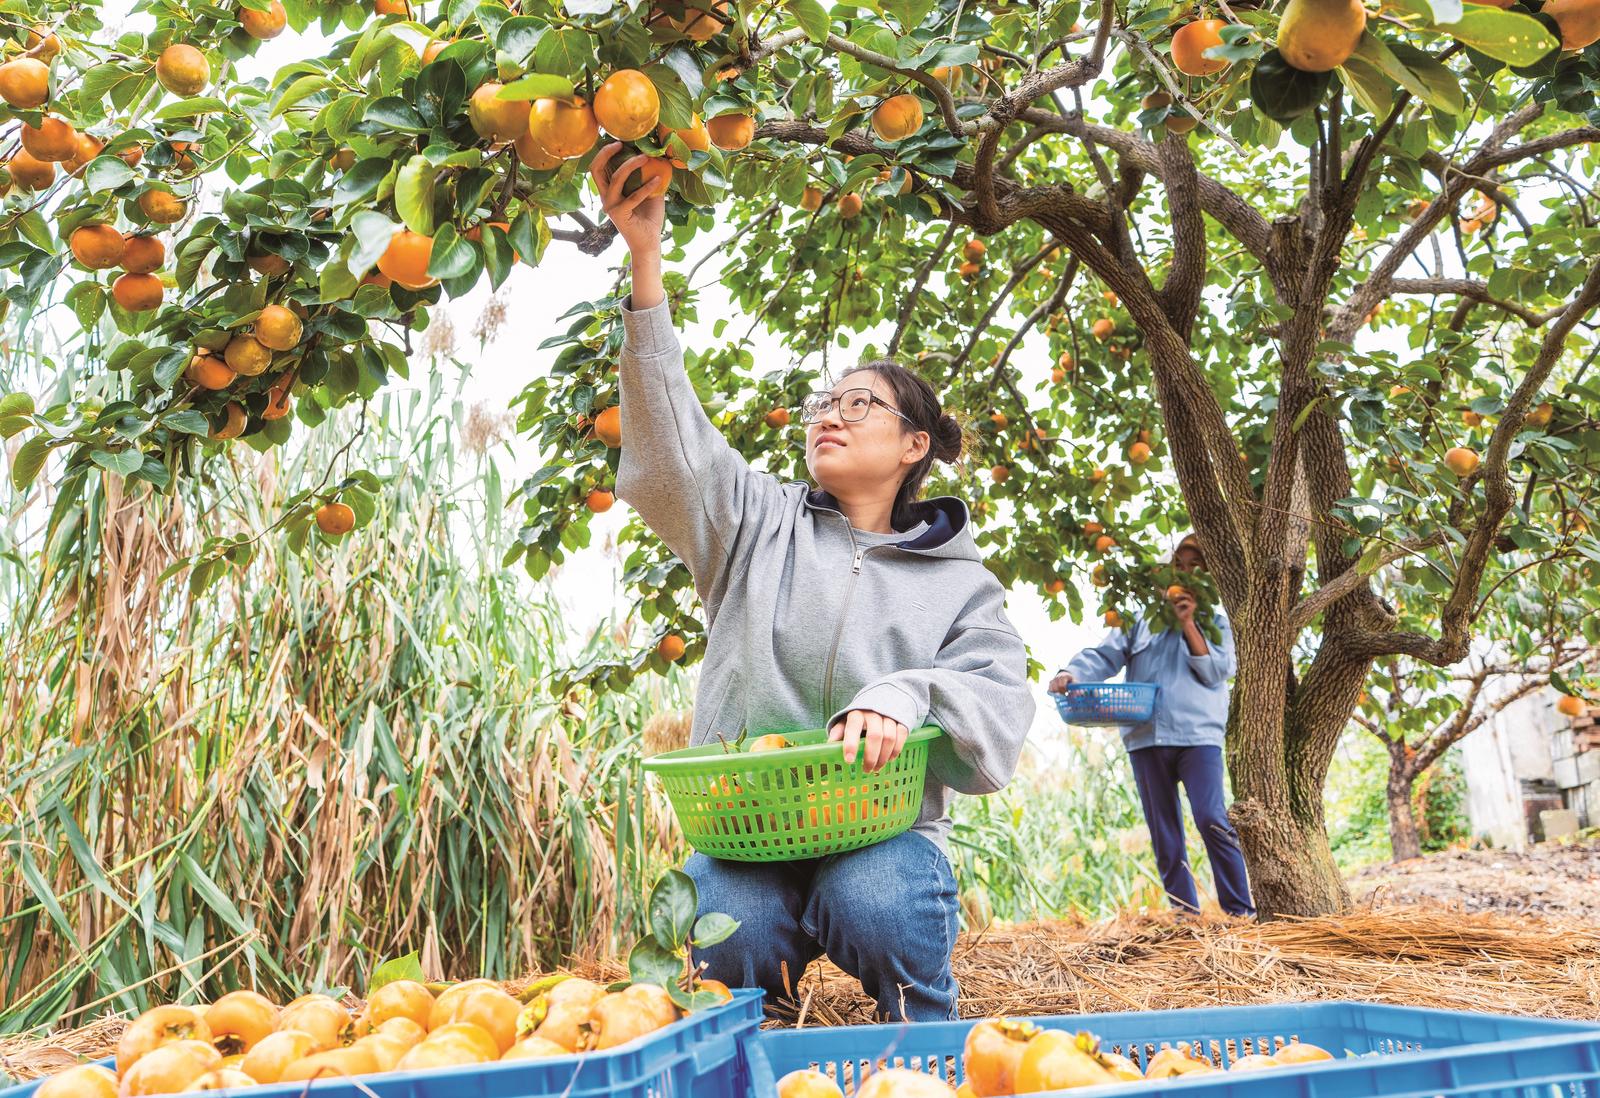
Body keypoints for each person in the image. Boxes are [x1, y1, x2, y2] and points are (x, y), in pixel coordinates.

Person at [591, 144, 1035, 1022]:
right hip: (746, 832)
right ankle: (752, 1056)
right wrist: (646, 264)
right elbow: (675, 452)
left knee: (877, 900)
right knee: (728, 936)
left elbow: (1000, 700)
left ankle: (926, 1049)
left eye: (859, 403)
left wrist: (905, 693)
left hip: (885, 831)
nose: (829, 413)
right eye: (823, 402)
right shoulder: (755, 524)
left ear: (915, 446)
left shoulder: (964, 584)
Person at [1049, 534, 1255, 918]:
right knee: (1164, 832)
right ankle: (1184, 916)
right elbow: (1104, 656)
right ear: (1166, 571)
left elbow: (1216, 672)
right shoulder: (1139, 620)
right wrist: (1070, 671)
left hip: (1198, 737)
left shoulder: (1217, 623)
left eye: (1198, 566)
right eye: (1182, 563)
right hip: (1145, 737)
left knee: (1212, 817)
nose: (1189, 572)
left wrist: (1189, 622)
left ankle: (1241, 912)